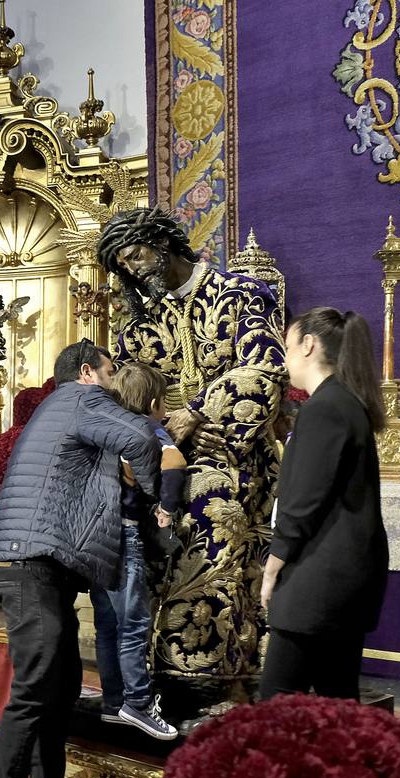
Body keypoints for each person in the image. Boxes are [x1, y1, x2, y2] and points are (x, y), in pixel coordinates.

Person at [0, 339, 160, 778]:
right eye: (111, 371)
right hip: (29, 561)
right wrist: (153, 500)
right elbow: (141, 436)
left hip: (37, 561)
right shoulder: (83, 399)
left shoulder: (59, 408)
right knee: (35, 687)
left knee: (60, 684)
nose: (114, 381)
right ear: (87, 372)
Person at [98, 206, 286, 680]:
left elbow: (264, 368)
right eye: (122, 264)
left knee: (214, 526)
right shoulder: (137, 325)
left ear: (162, 243)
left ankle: (211, 671)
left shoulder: (240, 293)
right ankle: (153, 673)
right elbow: (124, 393)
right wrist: (162, 430)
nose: (132, 269)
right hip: (160, 452)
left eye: (136, 255)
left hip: (232, 452)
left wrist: (197, 411)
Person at [259, 308, 388, 700]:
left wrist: (273, 564)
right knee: (337, 702)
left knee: (277, 707)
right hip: (342, 577)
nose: (285, 360)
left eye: (287, 347)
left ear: (309, 345)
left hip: (319, 580)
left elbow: (304, 498)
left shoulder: (325, 407)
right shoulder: (346, 402)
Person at [91, 362, 184, 740]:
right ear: (152, 402)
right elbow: (174, 465)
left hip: (98, 536)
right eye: (163, 401)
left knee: (107, 625)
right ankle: (138, 703)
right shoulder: (149, 429)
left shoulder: (105, 430)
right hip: (127, 533)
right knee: (133, 624)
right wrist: (167, 509)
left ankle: (113, 701)